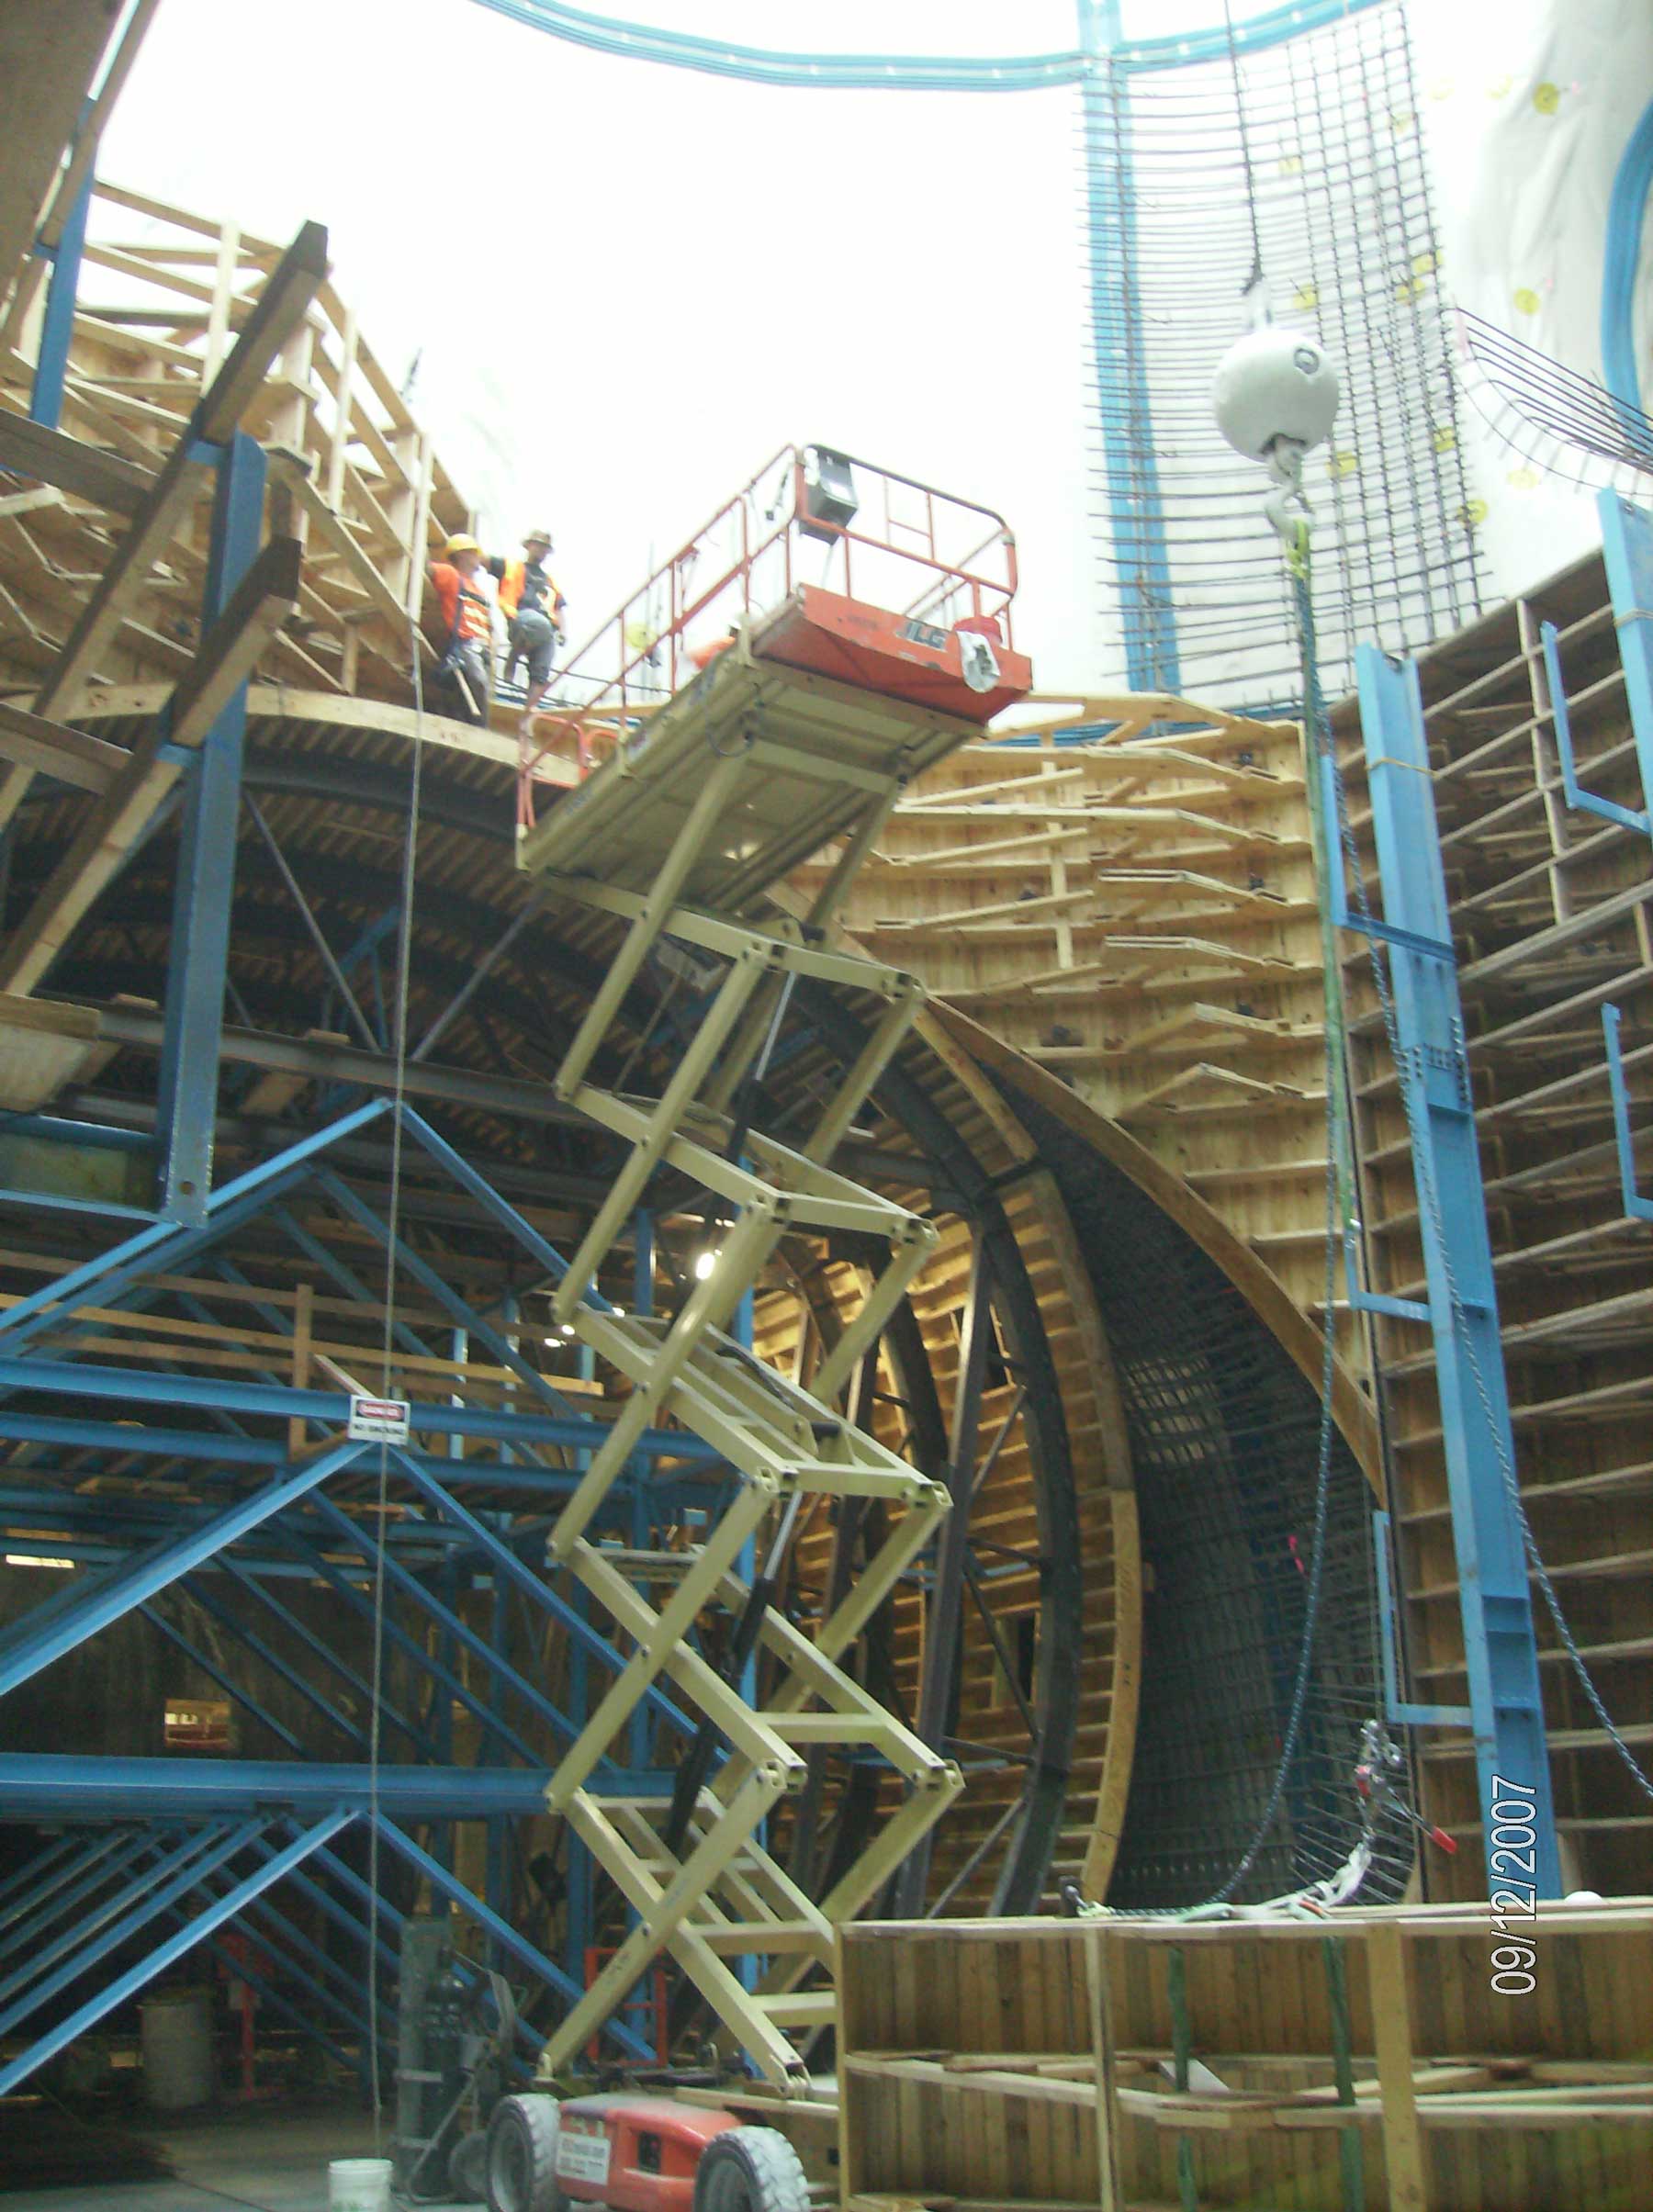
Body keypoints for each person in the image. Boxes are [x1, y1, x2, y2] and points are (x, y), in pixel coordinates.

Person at [491, 527, 567, 730]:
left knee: (541, 671)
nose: (541, 551)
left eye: (545, 548)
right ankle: (514, 655)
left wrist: (563, 632)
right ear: (529, 546)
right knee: (538, 624)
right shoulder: (513, 567)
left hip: (545, 629)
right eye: (538, 546)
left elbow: (559, 607)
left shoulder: (550, 581)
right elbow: (484, 561)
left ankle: (527, 718)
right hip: (522, 618)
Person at [426, 533, 494, 724]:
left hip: (484, 649)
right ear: (462, 555)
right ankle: (480, 728)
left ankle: (472, 724)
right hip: (466, 643)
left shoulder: (480, 592)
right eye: (473, 553)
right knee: (478, 682)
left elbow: (488, 626)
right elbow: (426, 569)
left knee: (482, 691)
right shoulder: (451, 575)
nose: (477, 558)